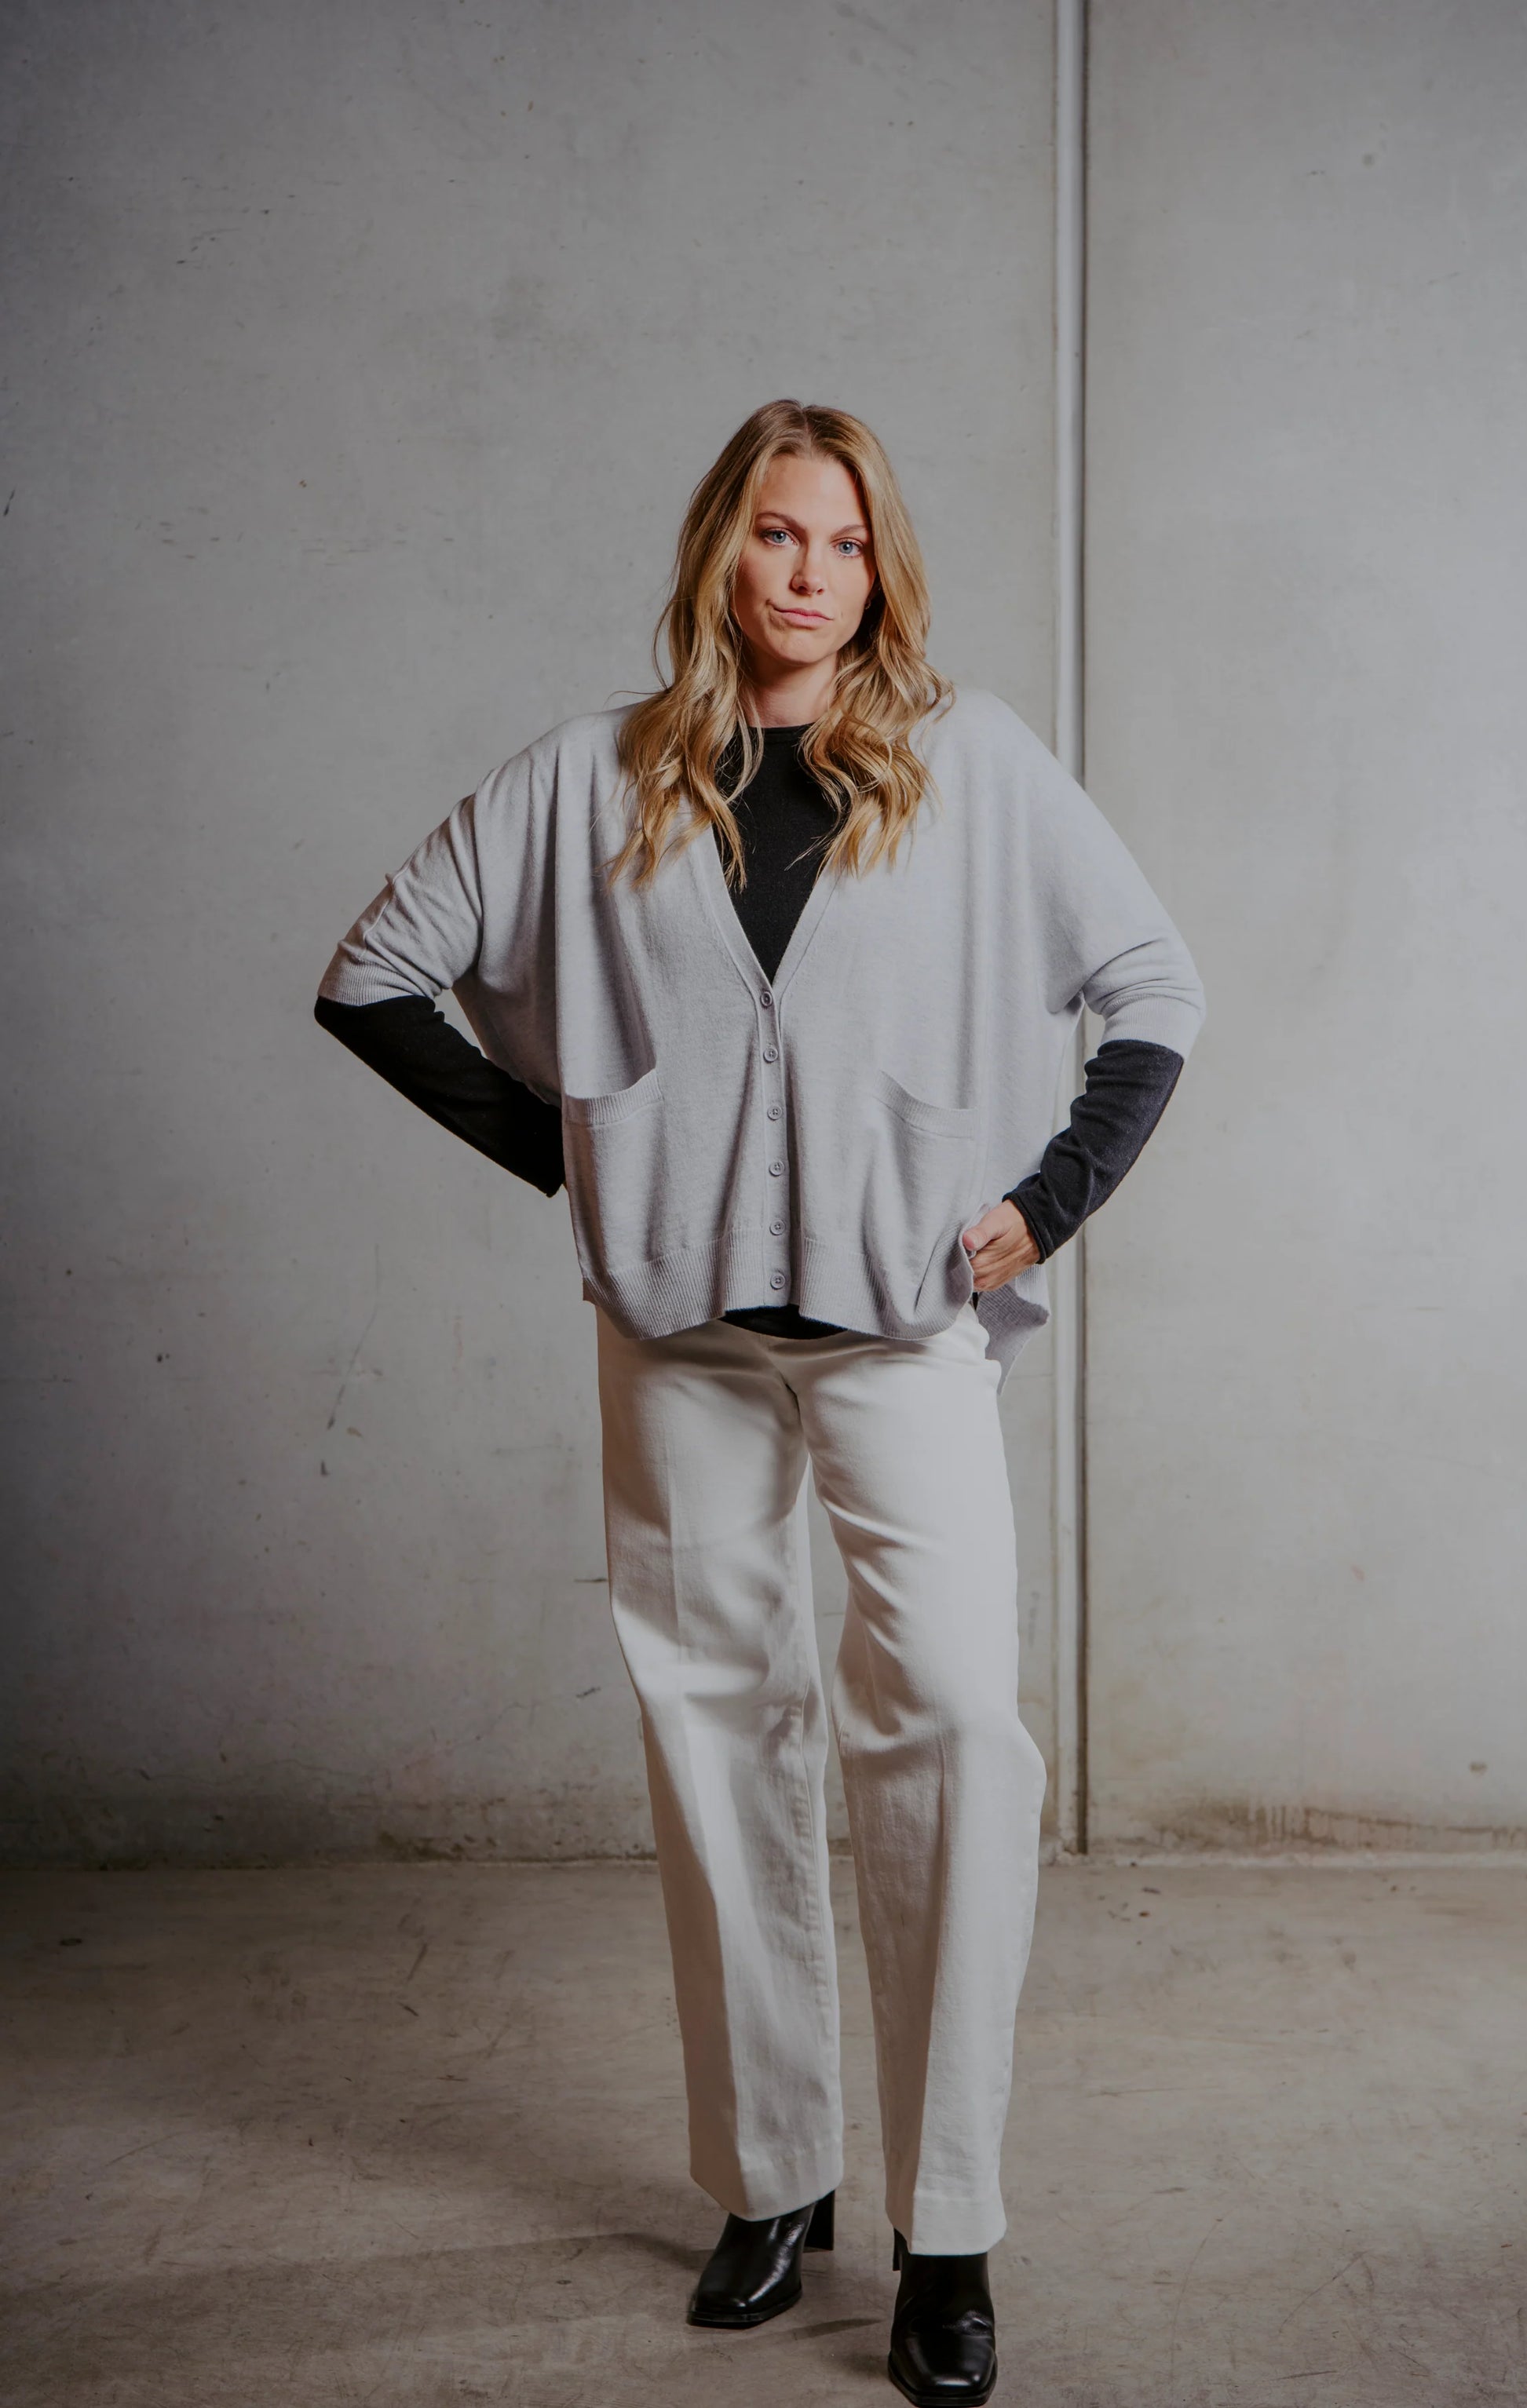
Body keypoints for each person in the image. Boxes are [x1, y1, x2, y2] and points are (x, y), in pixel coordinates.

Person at [314, 399, 1204, 2406]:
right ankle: (771, 2179)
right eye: (777, 534)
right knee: (717, 1736)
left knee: (951, 1720)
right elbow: (375, 972)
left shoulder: (970, 763)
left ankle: (947, 2225)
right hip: (680, 1339)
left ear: (882, 569)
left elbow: (1154, 991)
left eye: (845, 542)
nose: (808, 574)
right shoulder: (594, 775)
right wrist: (585, 1163)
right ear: (721, 546)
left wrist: (1049, 1198)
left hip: (901, 1325)